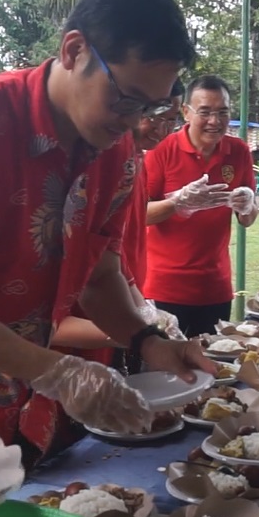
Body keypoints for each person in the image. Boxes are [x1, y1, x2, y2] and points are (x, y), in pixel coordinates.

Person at [0, 0, 215, 467]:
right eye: (125, 98)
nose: (132, 121)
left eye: (150, 107)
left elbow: (100, 279)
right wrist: (59, 373)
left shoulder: (116, 151)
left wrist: (148, 341)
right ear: (73, 50)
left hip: (45, 415)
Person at [49, 80, 186, 360]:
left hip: (111, 323)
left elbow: (109, 265)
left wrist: (145, 317)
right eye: (153, 117)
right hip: (56, 354)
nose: (161, 130)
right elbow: (36, 321)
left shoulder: (130, 162)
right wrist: (136, 332)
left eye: (170, 120)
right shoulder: (80, 169)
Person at [142, 75, 259, 337]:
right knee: (166, 368)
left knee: (213, 366)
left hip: (215, 287)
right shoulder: (161, 149)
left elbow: (247, 219)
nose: (214, 121)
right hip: (164, 286)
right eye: (205, 112)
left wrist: (247, 204)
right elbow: (138, 216)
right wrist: (178, 202)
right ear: (186, 112)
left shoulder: (238, 151)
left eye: (222, 112)